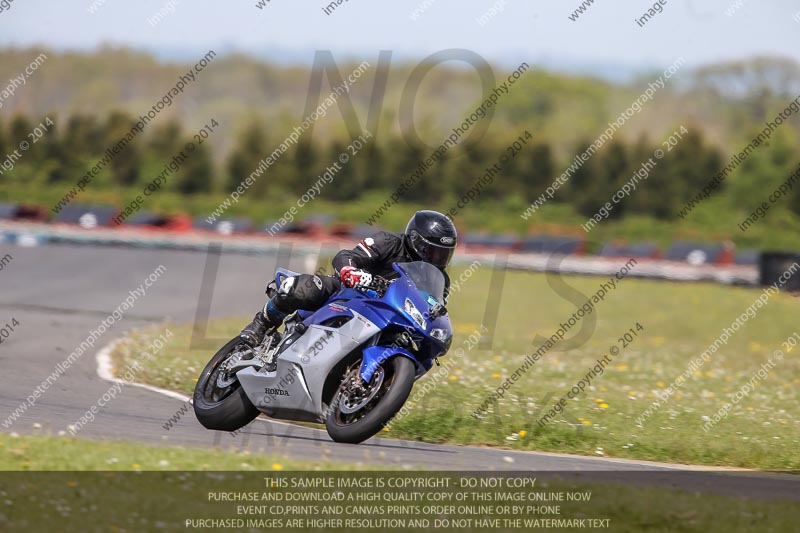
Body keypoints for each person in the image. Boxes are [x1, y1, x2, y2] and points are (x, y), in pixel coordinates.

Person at [238, 210, 457, 347]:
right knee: (306, 289)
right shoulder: (388, 242)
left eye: (442, 254)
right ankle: (260, 325)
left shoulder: (440, 280)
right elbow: (348, 256)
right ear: (416, 241)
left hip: (389, 316)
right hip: (350, 293)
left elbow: (433, 307)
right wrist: (351, 272)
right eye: (431, 251)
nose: (436, 259)